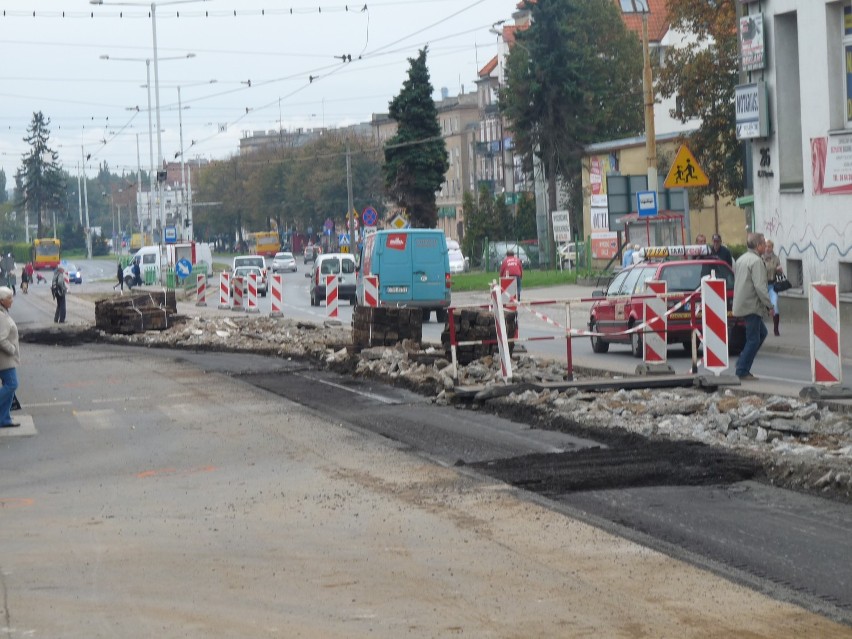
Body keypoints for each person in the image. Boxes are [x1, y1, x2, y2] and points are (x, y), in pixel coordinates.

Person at [733, 233, 774, 380]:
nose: (765, 245)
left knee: (761, 334)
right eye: (763, 243)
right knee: (754, 339)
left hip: (742, 303)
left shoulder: (741, 259)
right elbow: (760, 287)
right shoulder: (756, 262)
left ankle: (742, 363)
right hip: (752, 304)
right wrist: (769, 305)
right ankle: (742, 370)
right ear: (758, 246)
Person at [0, 286, 20, 428]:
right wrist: (12, 349)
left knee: (10, 386)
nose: (12, 301)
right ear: (2, 300)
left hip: (5, 359)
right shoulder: (1, 316)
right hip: (5, 359)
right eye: (9, 298)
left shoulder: (3, 312)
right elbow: (1, 339)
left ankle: (4, 419)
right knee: (12, 384)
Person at [763, 239, 784, 336]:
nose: (767, 248)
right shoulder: (760, 257)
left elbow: (780, 273)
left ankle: (776, 329)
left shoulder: (776, 259)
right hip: (762, 285)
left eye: (769, 246)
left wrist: (779, 270)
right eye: (766, 246)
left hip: (772, 285)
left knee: (774, 305)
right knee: (759, 307)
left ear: (772, 248)